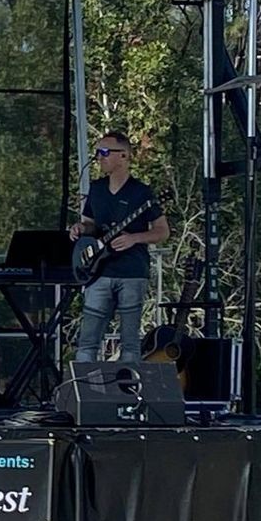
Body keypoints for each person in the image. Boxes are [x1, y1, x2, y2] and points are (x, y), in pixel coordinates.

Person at [71, 131, 169, 362]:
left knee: (130, 341)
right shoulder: (96, 188)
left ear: (124, 156)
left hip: (132, 272)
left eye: (104, 152)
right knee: (88, 339)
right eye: (97, 152)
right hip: (99, 271)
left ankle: (128, 383)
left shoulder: (141, 192)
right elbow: (90, 224)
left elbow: (162, 231)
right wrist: (80, 229)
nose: (99, 157)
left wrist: (135, 238)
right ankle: (85, 383)